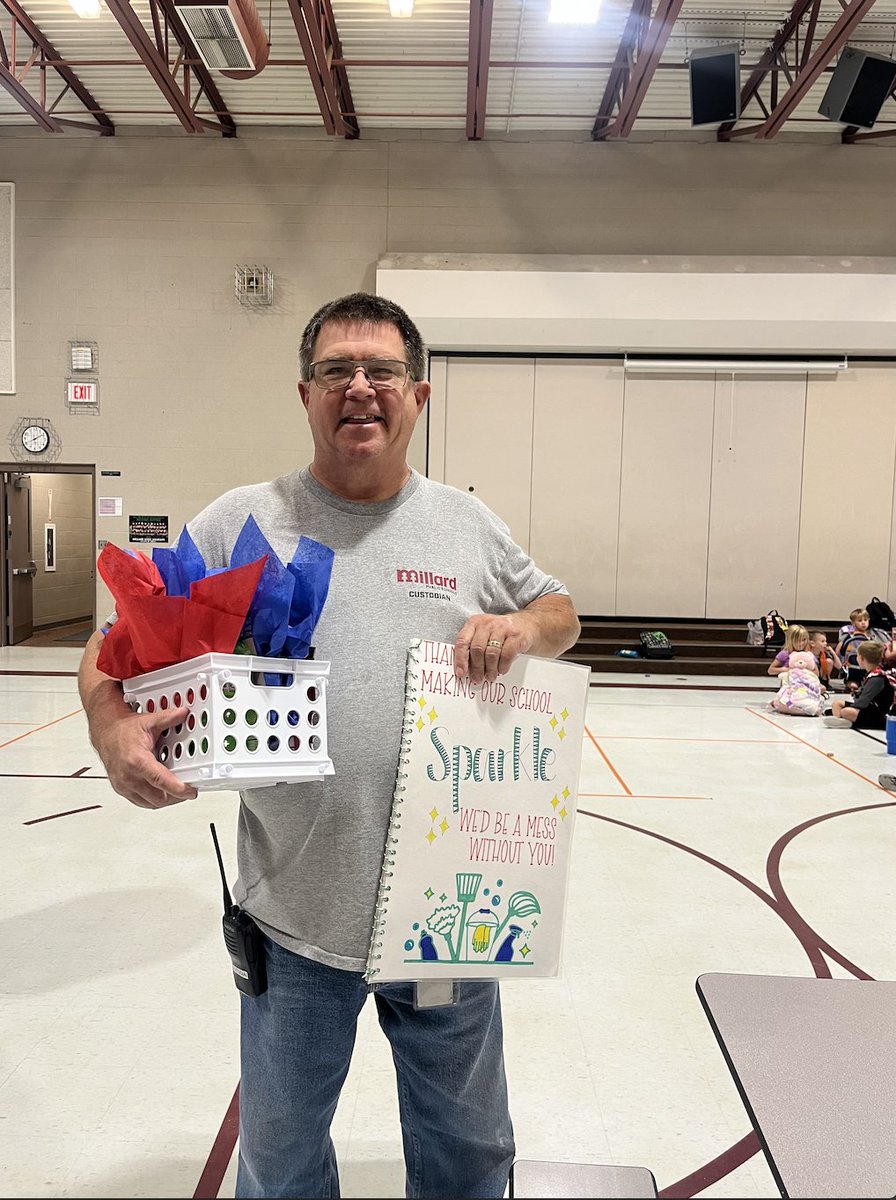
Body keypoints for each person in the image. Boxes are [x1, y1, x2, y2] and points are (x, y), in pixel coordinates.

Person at [77, 292, 581, 1200]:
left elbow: (562, 611)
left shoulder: (466, 526)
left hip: (450, 922)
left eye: (382, 371)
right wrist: (111, 727)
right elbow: (117, 639)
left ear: (419, 395)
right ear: (304, 394)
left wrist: (526, 630)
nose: (360, 388)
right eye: (335, 370)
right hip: (295, 919)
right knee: (281, 1160)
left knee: (468, 1152)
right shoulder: (244, 520)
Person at [824, 641, 892, 730]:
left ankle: (845, 720)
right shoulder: (871, 673)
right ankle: (842, 720)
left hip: (882, 715)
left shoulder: (877, 677)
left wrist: (847, 707)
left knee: (846, 711)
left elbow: (862, 703)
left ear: (862, 658)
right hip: (871, 708)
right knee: (837, 703)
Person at [769, 649, 823, 717]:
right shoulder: (785, 654)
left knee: (784, 701)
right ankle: (807, 709)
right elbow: (771, 670)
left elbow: (815, 677)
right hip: (794, 691)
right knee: (786, 698)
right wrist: (785, 669)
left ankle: (800, 709)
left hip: (803, 692)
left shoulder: (811, 673)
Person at [836, 608, 873, 694]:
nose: (863, 622)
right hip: (851, 669)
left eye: (865, 620)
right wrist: (840, 663)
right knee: (853, 685)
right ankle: (852, 683)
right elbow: (838, 651)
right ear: (853, 623)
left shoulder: (870, 637)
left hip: (866, 669)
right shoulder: (848, 636)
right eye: (859, 620)